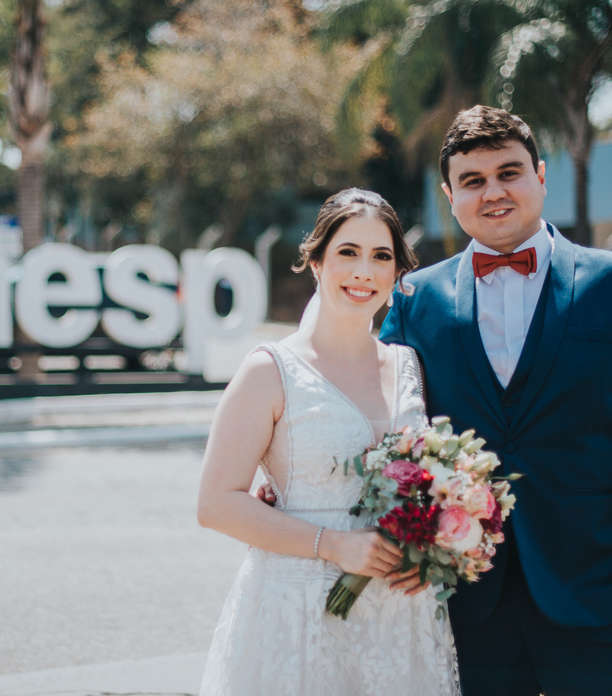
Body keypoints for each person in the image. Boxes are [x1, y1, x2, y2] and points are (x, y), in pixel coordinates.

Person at [378, 106, 612, 695]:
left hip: (595, 587)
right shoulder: (415, 298)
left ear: (540, 176)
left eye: (509, 172)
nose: (492, 191)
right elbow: (374, 412)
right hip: (464, 595)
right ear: (450, 195)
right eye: (473, 181)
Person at [197, 189, 462, 696]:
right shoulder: (268, 370)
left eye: (381, 256)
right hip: (299, 617)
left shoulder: (408, 365)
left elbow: (427, 482)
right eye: (348, 252)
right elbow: (215, 504)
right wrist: (332, 545)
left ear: (396, 273)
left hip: (400, 619)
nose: (364, 271)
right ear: (315, 261)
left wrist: (428, 550)